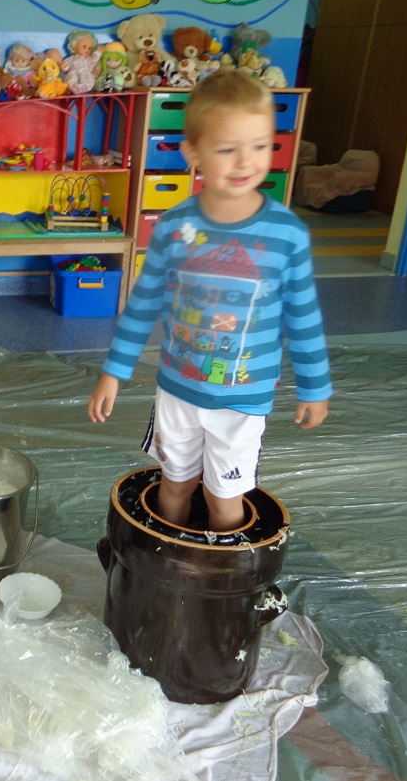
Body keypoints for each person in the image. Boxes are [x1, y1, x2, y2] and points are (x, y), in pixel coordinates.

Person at [88, 70, 333, 533]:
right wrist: (113, 373)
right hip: (177, 392)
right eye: (226, 149)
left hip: (242, 402)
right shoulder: (174, 227)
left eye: (259, 146)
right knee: (174, 487)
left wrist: (314, 385)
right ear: (193, 153)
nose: (245, 162)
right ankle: (168, 564)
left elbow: (302, 316)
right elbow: (143, 303)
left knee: (224, 501)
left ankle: (219, 570)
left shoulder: (286, 234)